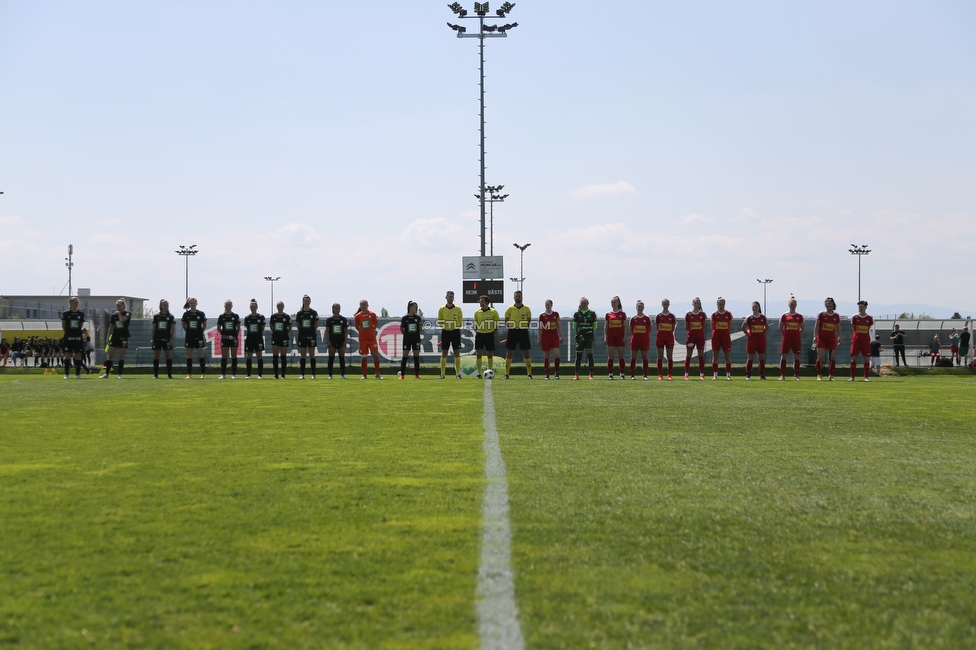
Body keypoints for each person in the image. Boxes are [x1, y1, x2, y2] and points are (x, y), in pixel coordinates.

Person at [504, 290, 533, 379]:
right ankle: (506, 374)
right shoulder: (510, 309)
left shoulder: (527, 309)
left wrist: (522, 327)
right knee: (509, 353)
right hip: (512, 332)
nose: (517, 298)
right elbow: (506, 321)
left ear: (522, 297)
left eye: (519, 296)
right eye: (516, 296)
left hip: (523, 332)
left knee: (526, 353)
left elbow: (528, 320)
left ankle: (529, 374)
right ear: (514, 297)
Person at [100, 298, 131, 379]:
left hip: (123, 337)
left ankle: (120, 374)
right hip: (114, 337)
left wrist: (119, 314)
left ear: (123, 306)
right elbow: (110, 327)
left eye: (119, 306)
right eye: (117, 306)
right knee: (110, 355)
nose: (118, 308)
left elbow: (122, 320)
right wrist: (108, 338)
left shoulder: (127, 314)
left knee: (121, 356)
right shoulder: (114, 316)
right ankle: (106, 373)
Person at [437, 290, 464, 379]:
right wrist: (446, 326)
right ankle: (442, 374)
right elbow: (440, 321)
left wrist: (455, 326)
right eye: (449, 296)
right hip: (445, 332)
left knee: (457, 352)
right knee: (444, 352)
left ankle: (458, 374)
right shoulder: (442, 309)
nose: (451, 298)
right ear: (446, 297)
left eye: (452, 297)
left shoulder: (458, 309)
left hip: (455, 332)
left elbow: (460, 321)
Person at [815, 297, 842, 381]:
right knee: (821, 357)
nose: (829, 308)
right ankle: (819, 374)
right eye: (827, 306)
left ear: (833, 306)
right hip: (821, 338)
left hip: (831, 338)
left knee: (832, 357)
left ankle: (831, 375)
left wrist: (839, 336)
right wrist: (815, 336)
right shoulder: (821, 314)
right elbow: (816, 326)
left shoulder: (836, 316)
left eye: (830, 306)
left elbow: (838, 327)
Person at [779, 297, 805, 380]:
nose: (792, 305)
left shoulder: (799, 316)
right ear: (788, 305)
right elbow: (780, 327)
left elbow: (803, 328)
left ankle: (796, 375)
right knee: (784, 356)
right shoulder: (784, 315)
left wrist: (797, 334)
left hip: (796, 339)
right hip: (786, 339)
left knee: (796, 357)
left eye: (794, 304)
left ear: (796, 305)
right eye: (791, 304)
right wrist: (785, 334)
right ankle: (782, 375)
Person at [355, 299, 382, 379]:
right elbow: (357, 326)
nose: (363, 306)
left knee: (375, 355)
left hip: (372, 339)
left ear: (367, 305)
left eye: (364, 304)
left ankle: (377, 374)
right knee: (364, 357)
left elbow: (376, 324)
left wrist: (371, 331)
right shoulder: (357, 316)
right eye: (361, 305)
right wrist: (361, 332)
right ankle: (364, 375)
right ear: (360, 306)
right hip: (362, 339)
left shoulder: (372, 314)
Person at [474, 295, 500, 379]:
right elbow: (475, 324)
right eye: (480, 301)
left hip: (489, 334)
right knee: (478, 354)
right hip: (480, 334)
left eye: (482, 301)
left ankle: (490, 371)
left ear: (487, 303)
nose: (481, 303)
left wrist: (494, 329)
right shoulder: (477, 312)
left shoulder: (493, 312)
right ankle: (479, 373)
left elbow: (497, 323)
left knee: (489, 354)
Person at [848, 300, 874, 381]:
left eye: (862, 307)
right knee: (854, 358)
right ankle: (852, 377)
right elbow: (853, 328)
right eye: (859, 307)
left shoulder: (869, 318)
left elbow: (868, 328)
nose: (860, 308)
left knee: (866, 358)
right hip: (856, 340)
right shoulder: (855, 317)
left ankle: (866, 377)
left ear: (866, 307)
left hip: (865, 340)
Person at [182, 298, 208, 379]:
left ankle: (203, 374)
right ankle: (189, 374)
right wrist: (189, 332)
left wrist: (199, 332)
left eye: (194, 303)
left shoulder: (201, 313)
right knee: (189, 356)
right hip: (189, 337)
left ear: (196, 303)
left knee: (201, 355)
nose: (193, 304)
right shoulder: (186, 314)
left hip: (199, 337)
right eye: (191, 303)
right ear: (189, 304)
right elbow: (184, 325)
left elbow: (204, 325)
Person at [61, 296, 86, 379]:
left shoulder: (81, 314)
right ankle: (66, 374)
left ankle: (78, 374)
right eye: (75, 302)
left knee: (78, 355)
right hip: (68, 338)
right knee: (67, 355)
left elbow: (81, 326)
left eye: (77, 302)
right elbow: (63, 326)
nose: (76, 304)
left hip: (78, 338)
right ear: (70, 303)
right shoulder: (66, 314)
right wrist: (68, 333)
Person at [572, 297, 597, 380]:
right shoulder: (577, 314)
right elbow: (574, 326)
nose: (583, 305)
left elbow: (595, 325)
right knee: (579, 356)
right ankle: (576, 374)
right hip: (580, 337)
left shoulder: (592, 314)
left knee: (590, 355)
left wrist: (589, 331)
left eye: (585, 303)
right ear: (580, 304)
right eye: (582, 303)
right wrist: (580, 333)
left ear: (588, 304)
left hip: (589, 337)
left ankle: (591, 374)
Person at [742, 301, 768, 380]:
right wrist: (748, 334)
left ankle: (762, 375)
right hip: (752, 341)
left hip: (761, 340)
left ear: (759, 308)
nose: (754, 308)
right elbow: (743, 327)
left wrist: (762, 331)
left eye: (756, 307)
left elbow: (766, 326)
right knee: (750, 358)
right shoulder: (749, 318)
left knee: (761, 358)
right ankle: (748, 375)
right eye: (753, 307)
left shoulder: (763, 317)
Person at [151, 298, 176, 379]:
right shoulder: (156, 316)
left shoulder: (170, 316)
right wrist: (152, 338)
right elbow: (153, 328)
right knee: (156, 357)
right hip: (157, 339)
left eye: (167, 305)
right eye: (164, 305)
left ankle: (169, 375)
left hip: (167, 339)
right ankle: (155, 375)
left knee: (168, 357)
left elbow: (173, 329)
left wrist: (171, 339)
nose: (166, 306)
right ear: (160, 306)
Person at [295, 295, 319, 379]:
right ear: (303, 302)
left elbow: (316, 325)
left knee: (312, 355)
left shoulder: (313, 313)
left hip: (311, 336)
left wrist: (311, 332)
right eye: (305, 301)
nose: (306, 302)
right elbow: (298, 326)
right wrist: (303, 332)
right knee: (303, 356)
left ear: (310, 302)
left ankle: (313, 374)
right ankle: (302, 374)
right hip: (302, 336)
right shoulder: (299, 313)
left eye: (308, 301)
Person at [216, 299, 241, 379]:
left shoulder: (235, 316)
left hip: (233, 339)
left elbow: (238, 328)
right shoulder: (221, 316)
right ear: (224, 306)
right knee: (224, 356)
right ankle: (223, 374)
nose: (228, 306)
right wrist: (224, 334)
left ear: (232, 306)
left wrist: (234, 335)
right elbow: (219, 328)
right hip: (225, 339)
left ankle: (233, 374)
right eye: (227, 305)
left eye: (229, 305)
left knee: (234, 356)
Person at [684, 297, 707, 380]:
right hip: (691, 337)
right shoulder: (688, 314)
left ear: (700, 304)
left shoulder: (703, 314)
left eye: (698, 303)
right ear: (692, 304)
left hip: (700, 337)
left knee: (700, 356)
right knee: (689, 355)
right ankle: (686, 374)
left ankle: (701, 374)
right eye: (695, 303)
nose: (696, 304)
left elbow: (704, 326)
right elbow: (686, 327)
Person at [711, 297, 734, 380]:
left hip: (725, 336)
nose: (721, 305)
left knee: (727, 356)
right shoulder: (714, 314)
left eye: (722, 304)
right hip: (716, 336)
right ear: (717, 304)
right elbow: (712, 326)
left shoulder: (728, 314)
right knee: (715, 356)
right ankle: (715, 375)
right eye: (720, 304)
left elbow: (730, 325)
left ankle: (728, 375)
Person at [399, 301, 423, 380]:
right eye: (415, 307)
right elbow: (401, 329)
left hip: (416, 339)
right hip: (407, 340)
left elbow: (420, 329)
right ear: (410, 307)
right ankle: (402, 375)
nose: (416, 308)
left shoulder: (418, 318)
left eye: (417, 307)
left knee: (416, 357)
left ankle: (417, 375)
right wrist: (406, 335)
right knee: (404, 357)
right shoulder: (404, 318)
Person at [605, 296, 627, 380]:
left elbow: (625, 326)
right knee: (611, 356)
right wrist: (605, 336)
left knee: (621, 356)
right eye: (612, 302)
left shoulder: (622, 314)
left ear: (618, 303)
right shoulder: (608, 314)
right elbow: (606, 326)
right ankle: (610, 374)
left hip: (620, 337)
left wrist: (625, 336)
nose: (613, 304)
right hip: (610, 337)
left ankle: (622, 373)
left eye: (614, 302)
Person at [325, 303, 349, 379]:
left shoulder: (343, 319)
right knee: (331, 358)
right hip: (332, 341)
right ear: (333, 309)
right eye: (336, 308)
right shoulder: (329, 320)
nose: (337, 310)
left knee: (341, 358)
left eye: (339, 308)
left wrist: (345, 341)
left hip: (341, 341)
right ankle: (330, 375)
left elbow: (345, 331)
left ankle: (342, 375)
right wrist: (328, 341)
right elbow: (327, 331)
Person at [629, 300, 652, 380]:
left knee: (644, 358)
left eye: (641, 307)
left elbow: (649, 329)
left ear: (643, 308)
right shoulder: (633, 318)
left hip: (644, 340)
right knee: (633, 358)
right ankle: (632, 375)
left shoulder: (647, 318)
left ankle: (645, 375)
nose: (640, 308)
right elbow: (631, 330)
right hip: (635, 340)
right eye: (639, 307)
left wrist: (643, 335)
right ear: (636, 307)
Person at [243, 299, 266, 379]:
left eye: (254, 306)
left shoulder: (261, 317)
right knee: (249, 356)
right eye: (251, 307)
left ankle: (260, 375)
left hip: (258, 339)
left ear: (257, 307)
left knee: (259, 356)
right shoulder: (247, 318)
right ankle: (248, 375)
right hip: (250, 339)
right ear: (250, 307)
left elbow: (262, 328)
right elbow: (247, 327)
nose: (253, 308)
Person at [538, 299, 561, 379]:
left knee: (556, 354)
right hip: (545, 336)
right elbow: (540, 328)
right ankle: (547, 374)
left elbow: (559, 326)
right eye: (546, 304)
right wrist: (539, 338)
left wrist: (561, 336)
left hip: (554, 336)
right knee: (546, 356)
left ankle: (557, 372)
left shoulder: (555, 314)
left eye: (549, 304)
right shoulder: (542, 315)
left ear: (551, 305)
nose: (547, 306)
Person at [269, 301, 291, 379]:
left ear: (283, 306)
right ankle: (276, 375)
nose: (280, 307)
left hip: (284, 338)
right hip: (275, 338)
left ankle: (283, 375)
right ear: (276, 307)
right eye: (279, 306)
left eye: (281, 306)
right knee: (275, 356)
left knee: (283, 356)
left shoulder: (286, 316)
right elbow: (271, 326)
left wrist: (284, 333)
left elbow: (289, 327)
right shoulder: (273, 316)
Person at [656, 298, 676, 380]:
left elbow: (673, 328)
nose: (665, 305)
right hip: (660, 337)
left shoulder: (672, 316)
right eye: (664, 304)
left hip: (669, 338)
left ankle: (669, 374)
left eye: (666, 304)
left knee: (669, 356)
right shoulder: (659, 316)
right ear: (662, 304)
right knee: (660, 356)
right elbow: (657, 327)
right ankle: (660, 374)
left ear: (669, 304)